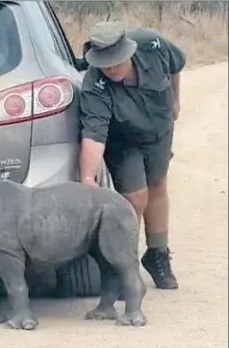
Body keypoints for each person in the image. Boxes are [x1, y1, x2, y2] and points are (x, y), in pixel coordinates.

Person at [78, 20, 186, 290]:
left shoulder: (152, 44)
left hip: (159, 130)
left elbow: (175, 67)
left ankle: (157, 254)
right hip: (124, 140)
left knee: (157, 184)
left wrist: (175, 98)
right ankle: (125, 265)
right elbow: (93, 134)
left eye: (116, 61)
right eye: (105, 63)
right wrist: (88, 179)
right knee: (135, 197)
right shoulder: (95, 84)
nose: (111, 68)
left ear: (128, 51)